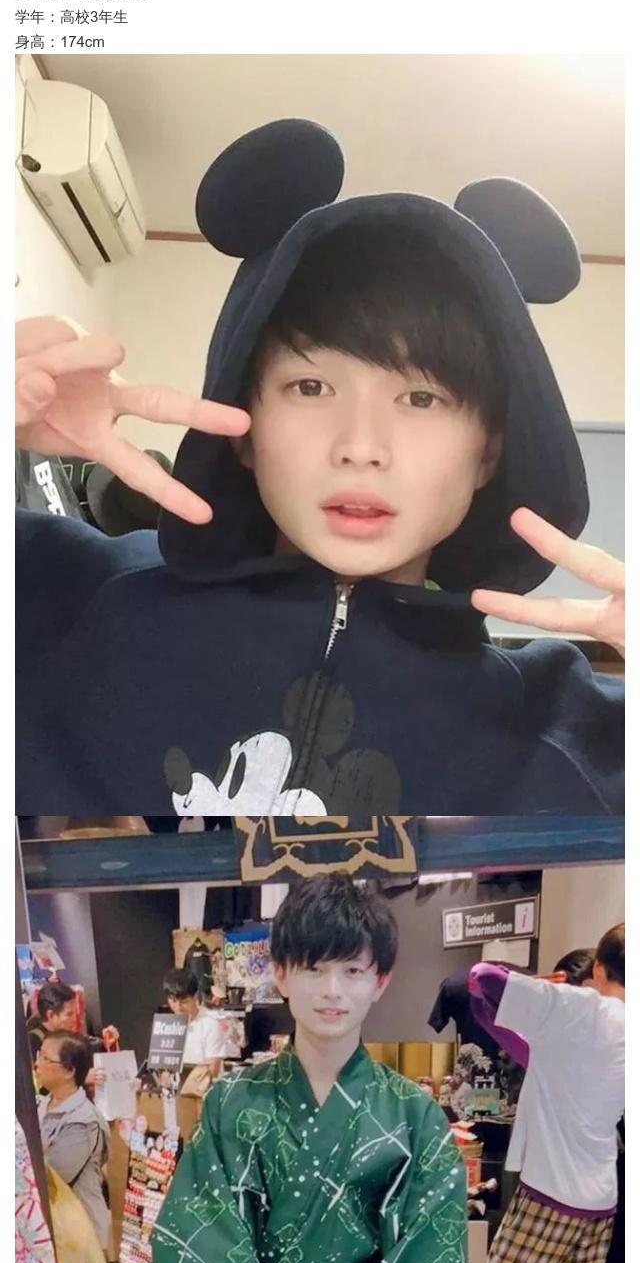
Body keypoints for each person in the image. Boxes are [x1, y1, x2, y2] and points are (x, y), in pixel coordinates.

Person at [15, 121, 624, 822]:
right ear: (243, 425)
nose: (360, 446)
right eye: (311, 387)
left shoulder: (559, 727)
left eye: (421, 399)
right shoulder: (65, 601)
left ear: (488, 453)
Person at [151, 874, 467, 1263]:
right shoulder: (231, 1103)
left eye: (353, 971)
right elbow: (205, 1239)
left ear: (381, 980)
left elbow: (427, 1257)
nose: (332, 991)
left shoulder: (413, 1115)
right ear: (280, 974)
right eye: (314, 968)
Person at [430, 922, 625, 1263]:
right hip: (600, 1197)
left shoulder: (581, 1007)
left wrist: (549, 984)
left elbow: (480, 977)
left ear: (598, 969)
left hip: (550, 1192)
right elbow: (528, 1051)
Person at [36, 1032, 110, 1263]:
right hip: (48, 1219)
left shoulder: (84, 1119)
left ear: (68, 1071)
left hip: (76, 1221)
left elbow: (56, 1172)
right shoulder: (40, 1104)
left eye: (44, 1058)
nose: (36, 1063)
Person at [161, 966, 236, 1080]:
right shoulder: (167, 1026)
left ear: (195, 997)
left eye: (184, 1002)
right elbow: (162, 1069)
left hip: (202, 1087)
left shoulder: (210, 1024)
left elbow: (212, 1071)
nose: (178, 1007)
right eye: (173, 1001)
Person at [26, 980, 77, 1067]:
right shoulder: (34, 1042)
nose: (74, 1019)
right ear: (51, 1015)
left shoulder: (68, 1037)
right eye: (69, 1014)